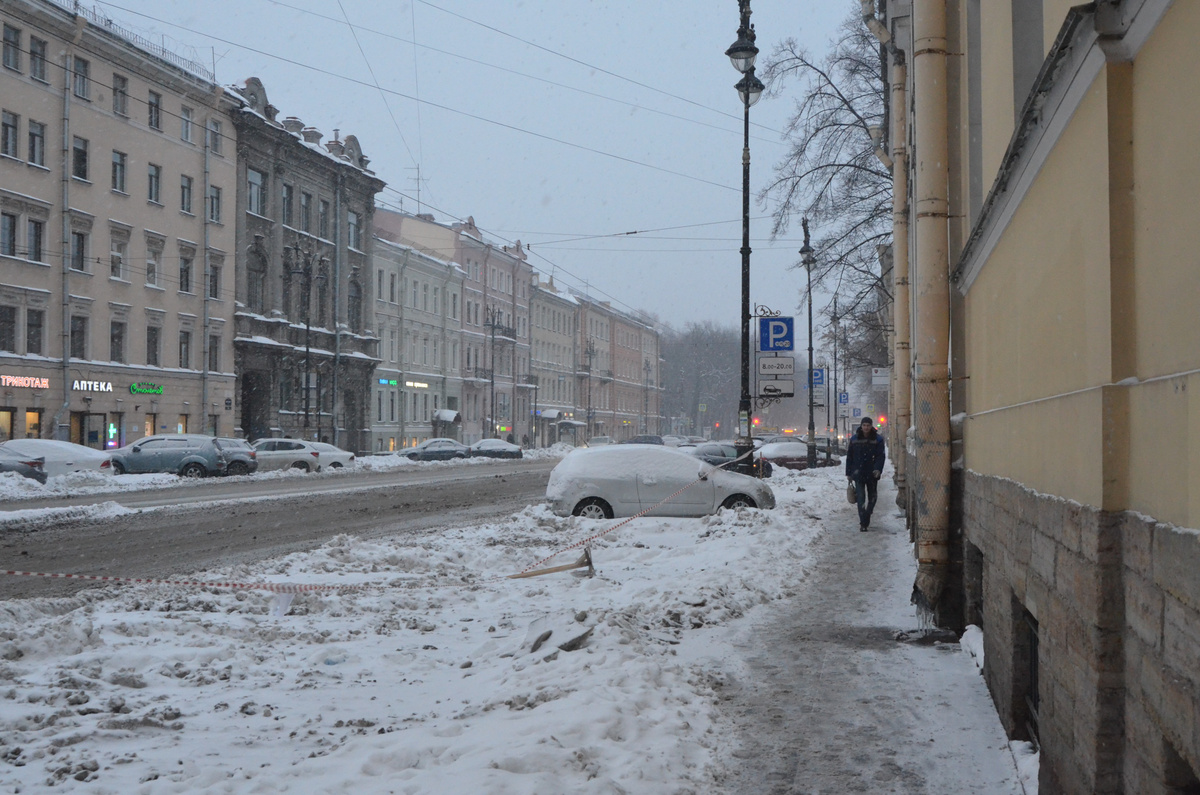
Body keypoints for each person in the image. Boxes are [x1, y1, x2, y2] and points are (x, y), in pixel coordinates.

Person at [845, 416, 886, 532]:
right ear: (861, 426)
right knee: (861, 498)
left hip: (872, 473)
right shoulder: (854, 439)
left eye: (868, 425)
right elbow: (850, 456)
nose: (866, 427)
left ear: (871, 426)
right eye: (864, 425)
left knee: (872, 497)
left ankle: (868, 513)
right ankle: (863, 522)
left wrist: (877, 469)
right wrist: (848, 473)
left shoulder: (877, 439)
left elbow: (880, 456)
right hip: (858, 473)